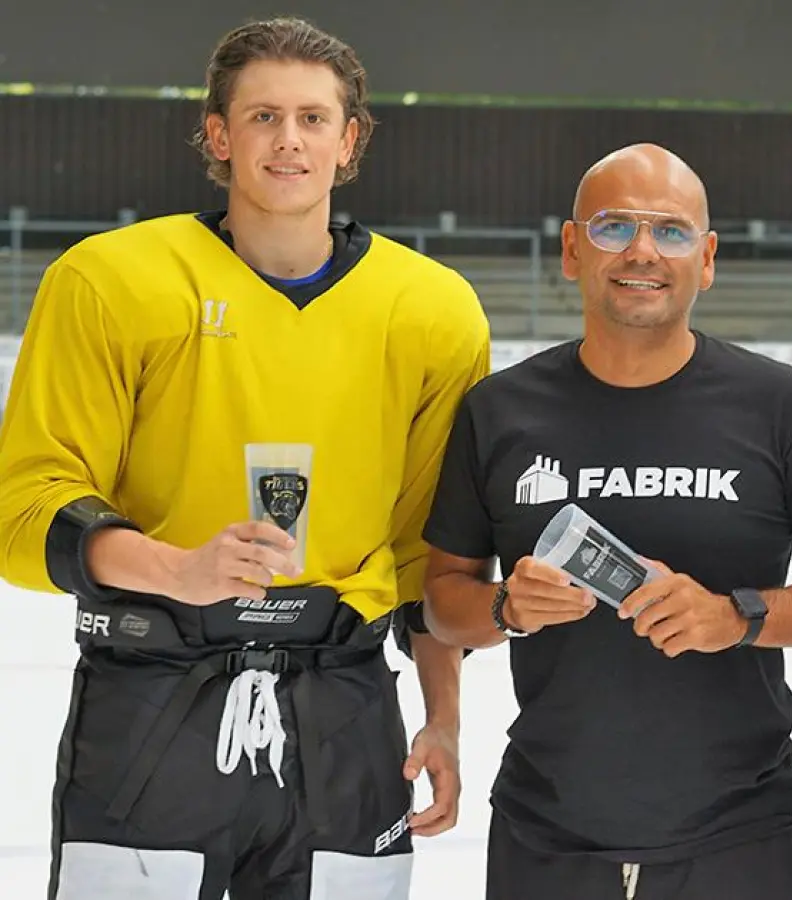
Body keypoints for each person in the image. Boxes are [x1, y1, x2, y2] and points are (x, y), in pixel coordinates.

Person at [0, 18, 486, 900]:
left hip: (345, 710)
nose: (289, 139)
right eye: (263, 117)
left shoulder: (434, 311)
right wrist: (176, 568)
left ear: (351, 139)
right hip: (151, 697)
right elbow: (26, 509)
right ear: (219, 135)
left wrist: (444, 718)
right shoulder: (108, 281)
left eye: (312, 117)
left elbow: (429, 550)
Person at [418, 142, 792, 900]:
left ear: (706, 260)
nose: (642, 251)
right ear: (572, 249)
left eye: (670, 232)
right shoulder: (499, 412)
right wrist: (508, 608)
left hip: (739, 836)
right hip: (546, 836)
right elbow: (442, 600)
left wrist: (738, 617)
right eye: (613, 227)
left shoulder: (779, 406)